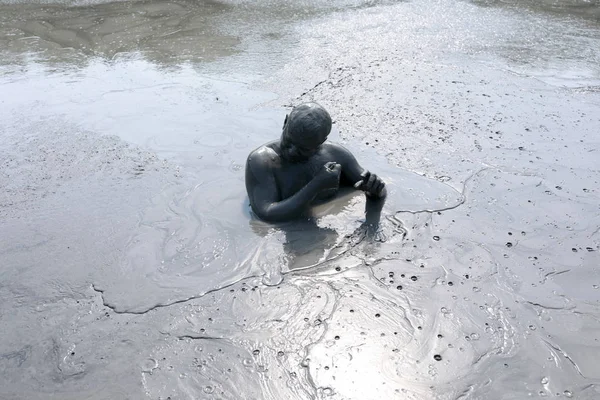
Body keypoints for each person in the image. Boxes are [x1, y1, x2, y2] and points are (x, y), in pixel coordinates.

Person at [245, 102, 386, 222]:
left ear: (321, 142)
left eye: (303, 149)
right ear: (285, 122)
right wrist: (316, 186)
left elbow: (373, 187)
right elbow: (265, 213)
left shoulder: (335, 154)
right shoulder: (261, 161)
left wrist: (374, 191)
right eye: (289, 142)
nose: (292, 151)